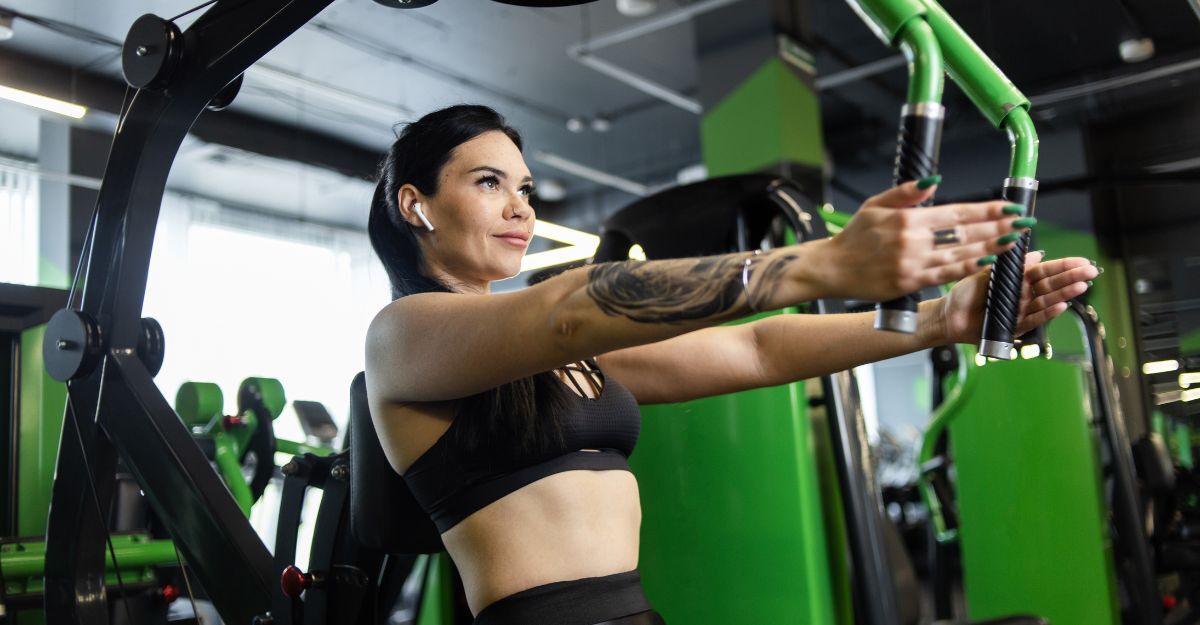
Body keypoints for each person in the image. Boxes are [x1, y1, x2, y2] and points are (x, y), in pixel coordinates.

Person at [364, 104, 1097, 625]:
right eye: (489, 182)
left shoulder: (560, 347)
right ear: (417, 205)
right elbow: (568, 306)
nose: (520, 207)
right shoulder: (403, 336)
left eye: (525, 188)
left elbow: (758, 346)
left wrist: (938, 321)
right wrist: (821, 262)